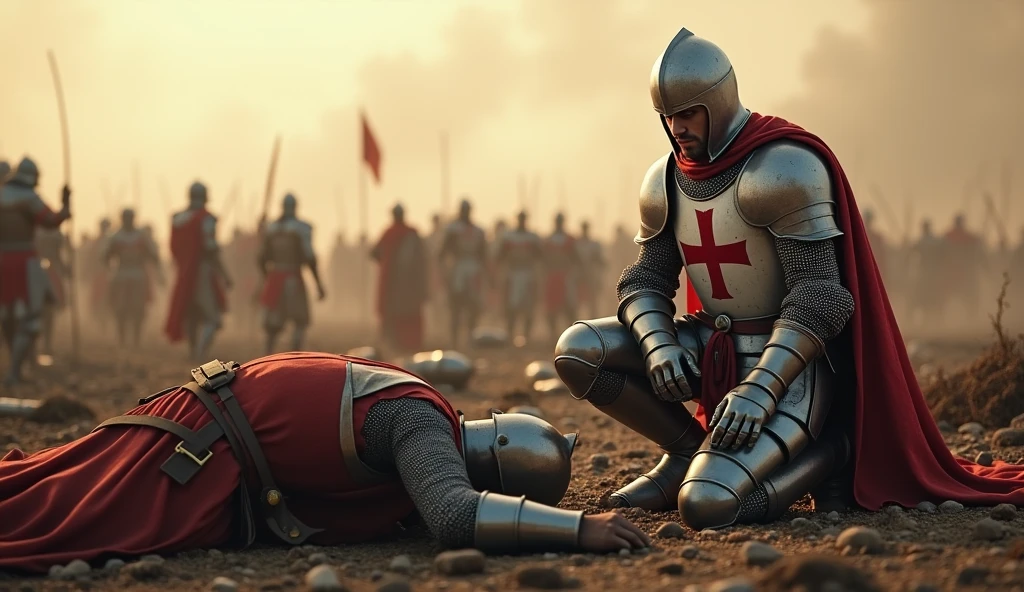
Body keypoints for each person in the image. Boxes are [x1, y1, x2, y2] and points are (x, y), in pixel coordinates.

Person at [555, 27, 1024, 531]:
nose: (677, 127)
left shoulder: (783, 167)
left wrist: (761, 389)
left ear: (717, 101)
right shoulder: (665, 178)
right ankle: (685, 452)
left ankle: (831, 451)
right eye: (668, 116)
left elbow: (821, 295)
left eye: (688, 113)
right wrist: (657, 344)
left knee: (708, 506)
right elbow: (647, 276)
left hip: (790, 366)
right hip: (708, 343)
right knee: (577, 349)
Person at [0, 353, 650, 573]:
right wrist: (580, 531)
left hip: (195, 425)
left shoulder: (416, 397)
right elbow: (453, 516)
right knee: (47, 516)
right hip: (195, 453)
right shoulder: (421, 424)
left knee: (43, 485)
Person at [0, 157, 72, 385]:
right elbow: (52, 220)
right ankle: (13, 371)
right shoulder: (30, 198)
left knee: (5, 315)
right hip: (24, 261)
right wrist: (66, 204)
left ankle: (14, 366)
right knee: (32, 318)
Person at [164, 181, 232, 361]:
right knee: (212, 318)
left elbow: (174, 248)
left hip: (185, 271)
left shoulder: (178, 218)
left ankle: (194, 351)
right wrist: (224, 274)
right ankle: (200, 354)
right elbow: (210, 247)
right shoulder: (206, 219)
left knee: (191, 313)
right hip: (202, 270)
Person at [257, 193, 325, 354]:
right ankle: (295, 354)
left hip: (275, 277)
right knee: (299, 320)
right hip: (293, 277)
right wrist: (318, 284)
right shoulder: (301, 228)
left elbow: (261, 259)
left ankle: (269, 353)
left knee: (273, 324)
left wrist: (267, 278)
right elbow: (310, 258)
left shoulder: (271, 229)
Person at [370, 203, 428, 352]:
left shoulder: (395, 233)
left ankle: (397, 342)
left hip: (395, 280)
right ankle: (398, 342)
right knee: (399, 312)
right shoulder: (407, 233)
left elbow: (374, 253)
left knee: (397, 311)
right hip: (403, 281)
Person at [103, 208, 164, 347]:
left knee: (139, 308)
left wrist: (156, 267)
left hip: (138, 275)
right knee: (120, 308)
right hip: (121, 274)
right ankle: (122, 338)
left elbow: (152, 256)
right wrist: (109, 268)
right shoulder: (116, 236)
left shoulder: (141, 237)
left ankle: (136, 338)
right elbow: (106, 255)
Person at [438, 199, 488, 348]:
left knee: (473, 306)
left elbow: (482, 254)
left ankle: (471, 337)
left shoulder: (478, 231)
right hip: (458, 269)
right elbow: (443, 252)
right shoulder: (453, 229)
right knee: (456, 306)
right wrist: (445, 271)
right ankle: (454, 339)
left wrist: (487, 274)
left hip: (473, 270)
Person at [494, 211, 542, 342]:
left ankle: (526, 335)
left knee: (528, 305)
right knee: (511, 305)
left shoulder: (532, 237)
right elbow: (500, 255)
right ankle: (510, 333)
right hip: (513, 272)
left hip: (527, 273)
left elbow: (540, 255)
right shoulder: (509, 237)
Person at [542, 213, 581, 340]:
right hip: (552, 275)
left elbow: (576, 258)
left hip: (565, 276)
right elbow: (544, 258)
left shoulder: (569, 239)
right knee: (552, 306)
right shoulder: (548, 240)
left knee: (569, 306)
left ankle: (571, 333)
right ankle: (553, 334)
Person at [575, 220, 607, 319]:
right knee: (578, 302)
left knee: (592, 303)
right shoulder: (577, 244)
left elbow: (599, 260)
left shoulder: (593, 244)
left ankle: (592, 322)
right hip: (579, 276)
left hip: (591, 276)